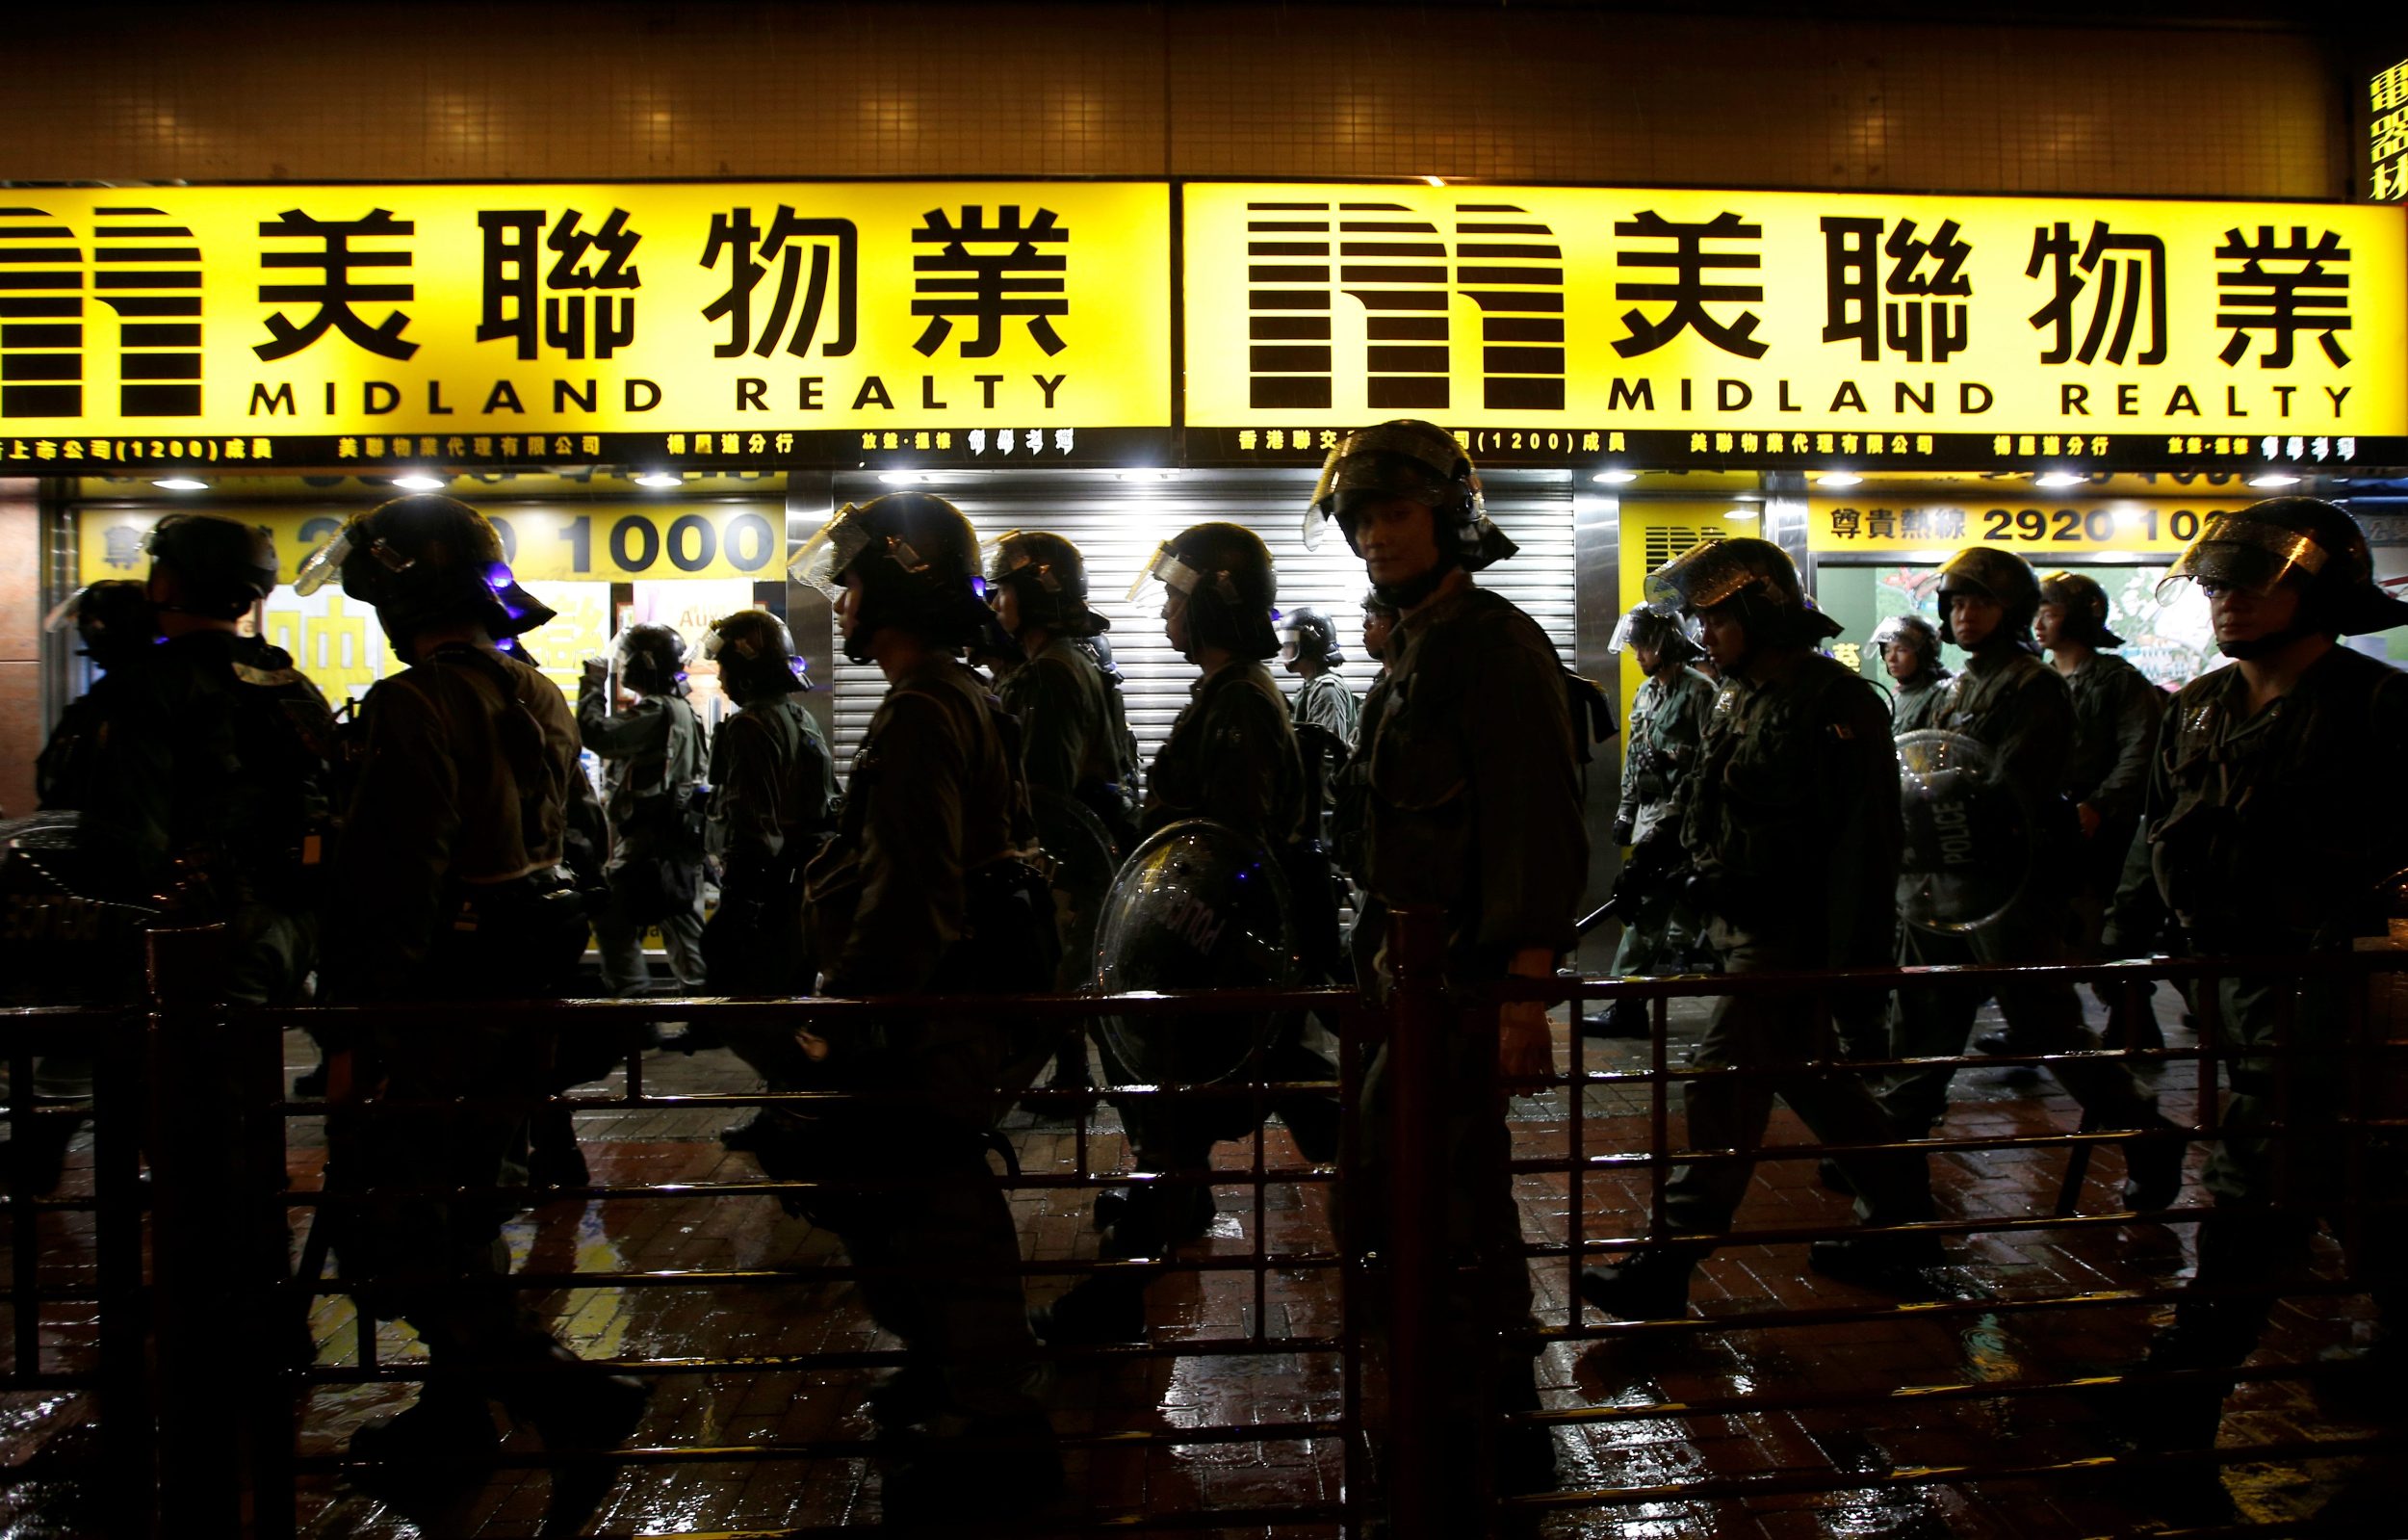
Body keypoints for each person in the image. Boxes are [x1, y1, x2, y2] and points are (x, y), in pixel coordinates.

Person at [302, 494, 647, 1527]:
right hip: (520, 994)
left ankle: (570, 1399)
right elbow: (573, 846)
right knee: (468, 1205)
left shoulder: (413, 706)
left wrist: (353, 1035)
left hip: (433, 1005)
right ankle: (452, 1414)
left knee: (403, 1226)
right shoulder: (539, 695)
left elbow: (392, 886)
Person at [2102, 499, 2408, 1517]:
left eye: (2248, 582)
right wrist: (2123, 942)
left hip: (2339, 990)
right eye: (2213, 584)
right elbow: (2159, 833)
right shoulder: (2193, 706)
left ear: (2314, 593)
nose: (2223, 600)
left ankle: (2180, 1393)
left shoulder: (2376, 708)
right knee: (2346, 1175)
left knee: (2261, 1176)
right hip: (2223, 983)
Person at [1309, 420, 1586, 1515]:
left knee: (1438, 1196)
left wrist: (1525, 990)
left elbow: (1536, 824)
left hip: (1469, 978)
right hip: (1410, 976)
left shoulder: (1489, 643)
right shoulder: (1420, 641)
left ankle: (1493, 1435)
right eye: (1364, 517)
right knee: (1415, 1193)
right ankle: (1470, 1415)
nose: (1377, 535)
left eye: (1397, 512)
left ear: (1450, 517)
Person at [768, 491, 1061, 1516]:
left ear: (898, 581)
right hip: (956, 1006)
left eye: (851, 581)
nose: (841, 601)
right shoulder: (962, 692)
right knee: (916, 1207)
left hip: (929, 1013)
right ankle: (953, 1381)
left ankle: (991, 1422)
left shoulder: (924, 708)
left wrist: (838, 1021)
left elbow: (913, 890)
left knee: (936, 1212)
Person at [1579, 537, 1942, 1319]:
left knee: (1721, 1085)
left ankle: (1669, 1258)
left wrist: (1857, 968)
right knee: (1817, 1082)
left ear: (1758, 611)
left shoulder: (1834, 702)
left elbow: (1866, 841)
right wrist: (1656, 856)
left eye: (1714, 617)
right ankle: (1906, 1216)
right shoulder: (1734, 694)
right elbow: (1702, 793)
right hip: (1741, 925)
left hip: (1794, 937)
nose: (1703, 634)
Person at [1040, 522, 1339, 1344]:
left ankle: (1119, 1297)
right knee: (1243, 1108)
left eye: (1177, 595)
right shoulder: (1226, 689)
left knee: (1179, 1121)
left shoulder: (1241, 697)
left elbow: (1229, 848)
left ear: (1216, 601)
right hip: (1209, 958)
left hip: (1213, 958)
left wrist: (1189, 949)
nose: (1166, 610)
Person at [1879, 547, 2181, 1207]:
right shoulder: (1954, 687)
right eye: (1955, 602)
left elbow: (2011, 786)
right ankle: (1885, 1170)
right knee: (1923, 1025)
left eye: (1980, 602)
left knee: (2047, 1028)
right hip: (1946, 880)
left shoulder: (2032, 684)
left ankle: (2146, 1132)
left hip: (2009, 887)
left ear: (2010, 609)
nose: (1964, 614)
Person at [1989, 570, 2164, 1056]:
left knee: (2101, 936)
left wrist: (2101, 805)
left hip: (2100, 831)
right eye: (2037, 612)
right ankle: (2041, 1027)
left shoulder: (2116, 680)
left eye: (2051, 612)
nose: (2040, 623)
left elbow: (2140, 750)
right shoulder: (2034, 678)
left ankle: (2126, 1023)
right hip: (2044, 827)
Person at [1588, 605, 1715, 1039]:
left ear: (1664, 643)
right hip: (1649, 815)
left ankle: (1626, 1006)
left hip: (1683, 823)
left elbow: (1710, 765)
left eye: (1642, 645)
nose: (1637, 655)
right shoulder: (1646, 694)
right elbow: (1635, 757)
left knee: (1647, 912)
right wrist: (1625, 810)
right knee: (1675, 912)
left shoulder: (1701, 692)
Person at [695, 609, 834, 998]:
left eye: (724, 666)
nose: (720, 678)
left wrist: (739, 900)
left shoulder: (750, 725)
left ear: (745, 667)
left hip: (768, 887)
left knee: (752, 996)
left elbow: (754, 822)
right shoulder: (799, 717)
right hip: (798, 883)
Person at [986, 528, 1137, 851]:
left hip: (1066, 861)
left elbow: (1044, 793)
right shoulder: (1076, 657)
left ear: (1033, 595)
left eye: (1004, 590)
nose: (996, 603)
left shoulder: (1051, 671)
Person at [580, 622, 708, 1000]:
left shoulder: (656, 710)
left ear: (645, 664)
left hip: (649, 841)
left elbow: (598, 734)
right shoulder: (682, 709)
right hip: (676, 839)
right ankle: (703, 1010)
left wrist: (592, 684)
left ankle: (633, 1010)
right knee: (682, 924)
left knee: (613, 918)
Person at [1872, 613, 1951, 734]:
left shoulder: (1942, 696)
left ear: (1924, 653)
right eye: (1887, 650)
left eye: (1901, 650)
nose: (1891, 658)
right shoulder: (1894, 699)